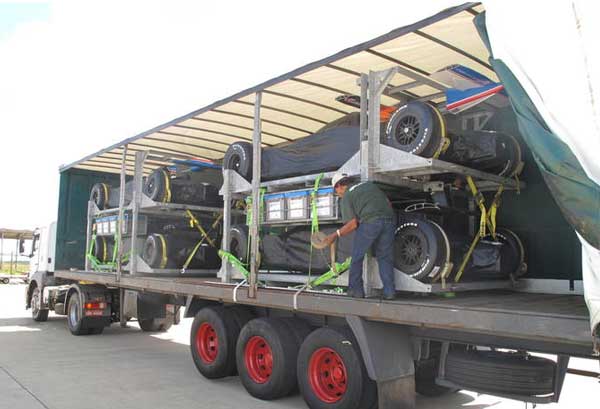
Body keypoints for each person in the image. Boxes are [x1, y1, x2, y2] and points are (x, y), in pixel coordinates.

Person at [322, 172, 396, 299]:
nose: (337, 194)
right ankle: (389, 292)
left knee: (357, 257)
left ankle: (356, 291)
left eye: (336, 191)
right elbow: (388, 203)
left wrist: (335, 234)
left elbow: (352, 224)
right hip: (389, 220)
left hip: (371, 222)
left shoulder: (347, 196)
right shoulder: (368, 185)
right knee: (384, 257)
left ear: (339, 186)